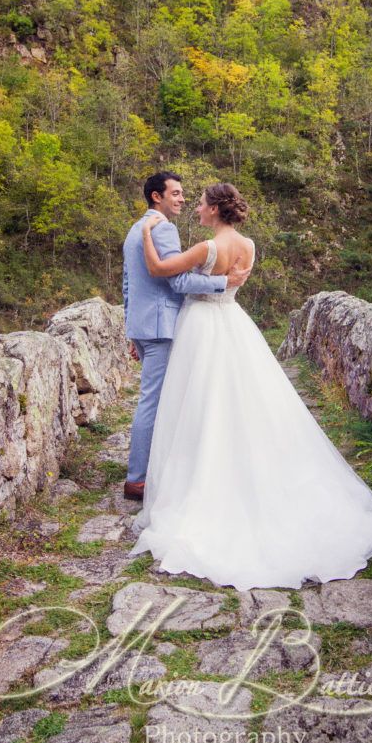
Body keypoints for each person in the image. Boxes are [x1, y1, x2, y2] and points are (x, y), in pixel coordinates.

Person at [129, 181, 372, 589]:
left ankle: (199, 473)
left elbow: (162, 272)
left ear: (216, 211)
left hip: (201, 325)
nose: (196, 208)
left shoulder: (206, 248)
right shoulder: (251, 247)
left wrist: (147, 236)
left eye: (201, 203)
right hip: (234, 323)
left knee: (197, 401)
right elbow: (232, 285)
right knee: (244, 399)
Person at [122, 172, 251, 500]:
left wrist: (133, 329)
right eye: (176, 193)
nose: (182, 200)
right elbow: (176, 282)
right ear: (157, 197)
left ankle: (161, 468)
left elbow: (128, 284)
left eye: (187, 196)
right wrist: (224, 284)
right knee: (155, 401)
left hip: (144, 324)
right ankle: (138, 478)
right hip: (161, 326)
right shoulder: (162, 229)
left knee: (163, 397)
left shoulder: (136, 228)